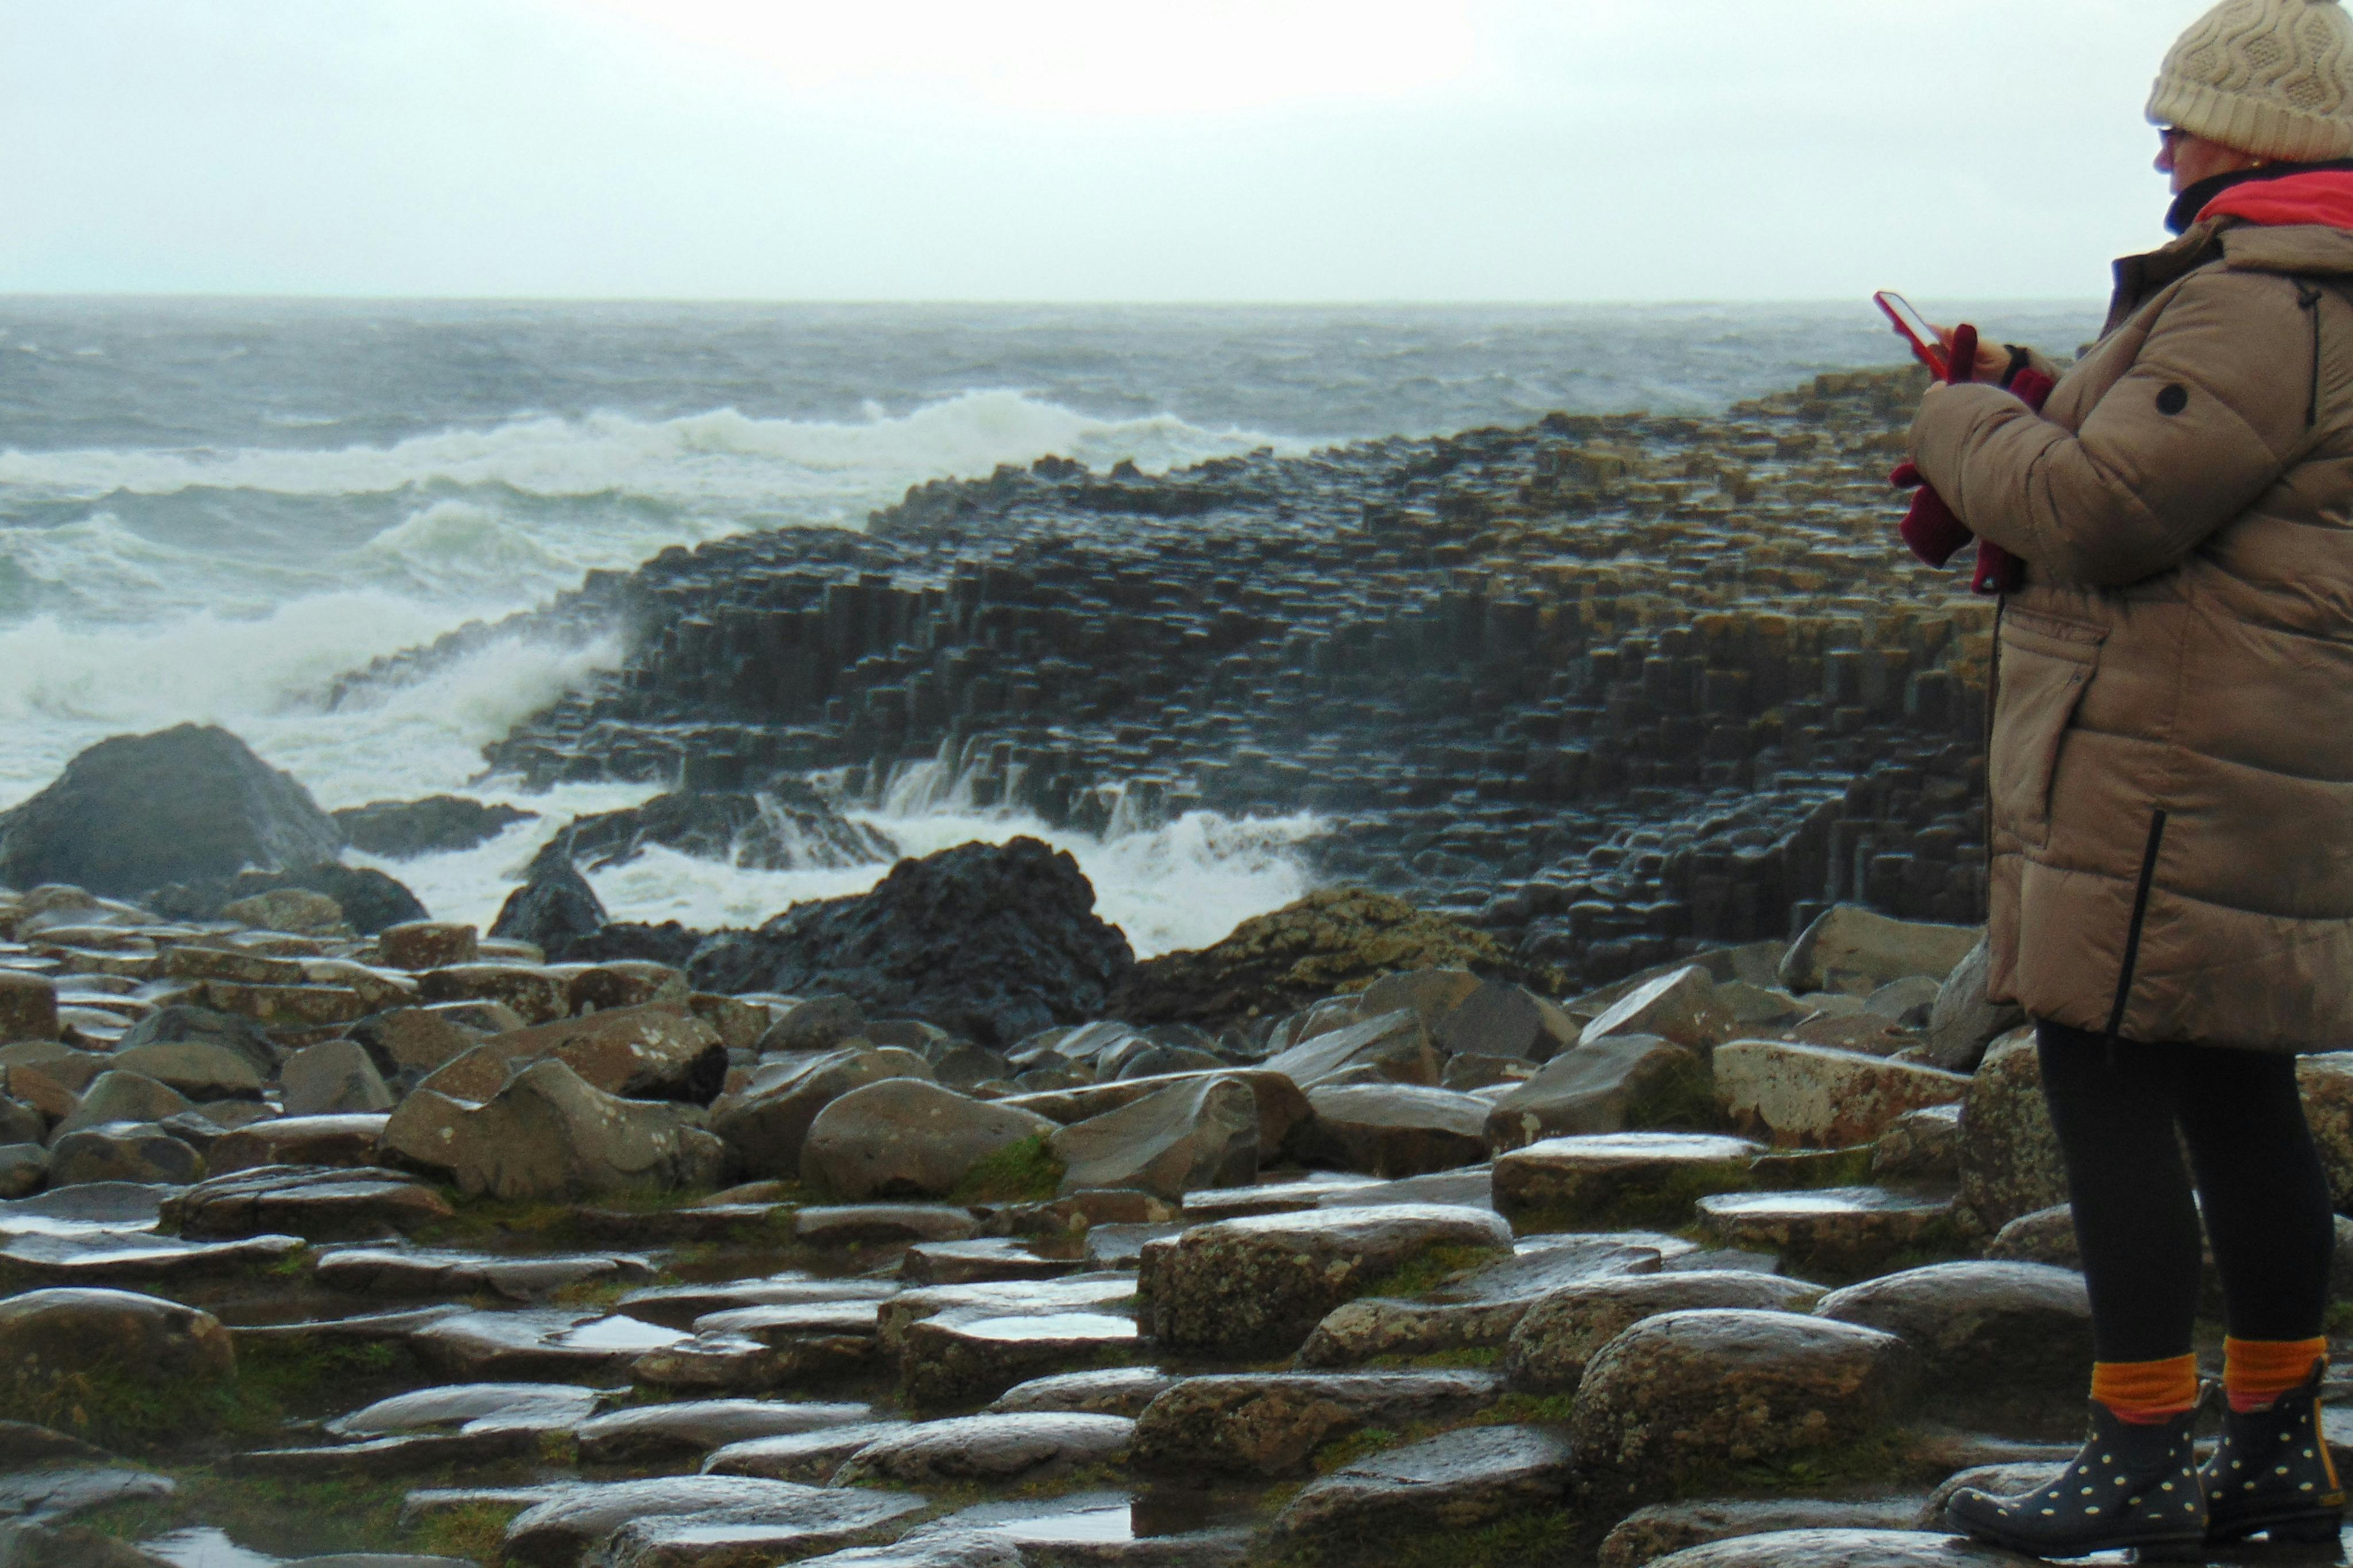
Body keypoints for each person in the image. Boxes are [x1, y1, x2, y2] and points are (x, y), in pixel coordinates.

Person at [1907, 0, 2353, 1558]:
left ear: (2269, 129)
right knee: (2239, 1086)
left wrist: (1960, 417)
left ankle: (2144, 1449)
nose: (2160, 140)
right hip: (2261, 753)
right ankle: (2278, 1444)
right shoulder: (2301, 292)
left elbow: (2101, 511)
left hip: (2172, 759)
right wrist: (2043, 381)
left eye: (2186, 112)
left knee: (2102, 1074)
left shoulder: (2257, 301)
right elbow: (2173, 455)